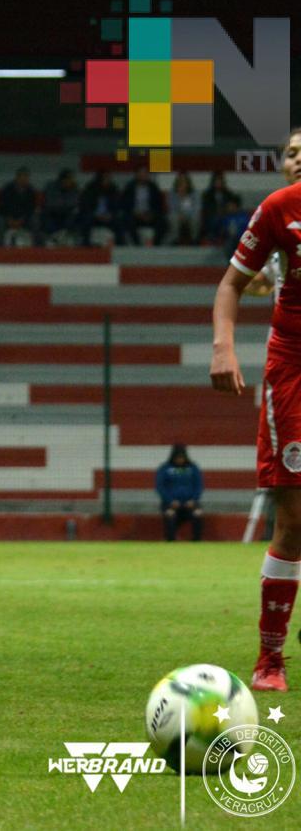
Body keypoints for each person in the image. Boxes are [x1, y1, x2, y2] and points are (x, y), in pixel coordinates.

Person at [209, 126, 301, 693]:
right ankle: (270, 661)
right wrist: (223, 347)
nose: (297, 159)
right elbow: (230, 285)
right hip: (293, 369)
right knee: (293, 519)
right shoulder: (279, 210)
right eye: (291, 151)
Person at [156, 444, 204, 541]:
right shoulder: (165, 468)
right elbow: (160, 487)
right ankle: (170, 540)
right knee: (170, 514)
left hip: (190, 504)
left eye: (182, 457)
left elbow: (199, 486)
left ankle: (197, 540)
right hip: (171, 504)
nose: (180, 460)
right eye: (178, 458)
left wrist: (193, 500)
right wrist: (170, 501)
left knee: (198, 513)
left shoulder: (193, 468)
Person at [119, 166, 167, 246]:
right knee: (127, 220)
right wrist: (135, 213)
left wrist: (152, 214)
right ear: (136, 174)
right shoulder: (129, 187)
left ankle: (156, 245)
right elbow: (124, 205)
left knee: (163, 222)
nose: (143, 175)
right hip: (135, 215)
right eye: (141, 173)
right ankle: (137, 246)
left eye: (145, 173)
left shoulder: (153, 187)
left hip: (150, 216)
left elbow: (159, 205)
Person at [78, 170, 121, 246]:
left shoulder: (113, 189)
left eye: (109, 178)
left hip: (108, 216)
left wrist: (110, 215)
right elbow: (86, 205)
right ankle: (86, 244)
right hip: (94, 215)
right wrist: (95, 215)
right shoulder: (90, 189)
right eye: (105, 178)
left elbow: (116, 205)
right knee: (86, 219)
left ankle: (120, 245)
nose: (107, 180)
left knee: (119, 221)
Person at [0, 167, 36, 246]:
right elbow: (1, 206)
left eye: (26, 177)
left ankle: (35, 245)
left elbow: (30, 209)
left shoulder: (30, 191)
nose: (24, 179)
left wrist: (22, 220)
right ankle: (0, 246)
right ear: (17, 177)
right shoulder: (7, 189)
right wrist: (9, 219)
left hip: (23, 218)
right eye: (22, 177)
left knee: (35, 221)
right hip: (8, 217)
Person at [40, 169, 79, 245]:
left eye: (72, 179)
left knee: (74, 214)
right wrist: (63, 205)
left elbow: (74, 203)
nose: (71, 181)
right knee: (45, 214)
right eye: (69, 179)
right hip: (52, 213)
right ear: (63, 180)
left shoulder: (74, 188)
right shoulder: (51, 186)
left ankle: (63, 236)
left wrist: (64, 205)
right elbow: (50, 203)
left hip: (66, 214)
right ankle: (53, 238)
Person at [201, 170, 235, 243]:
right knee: (215, 220)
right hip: (212, 217)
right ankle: (213, 237)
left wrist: (228, 208)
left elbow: (235, 202)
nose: (218, 183)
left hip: (225, 216)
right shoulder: (207, 195)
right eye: (217, 181)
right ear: (213, 182)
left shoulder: (228, 193)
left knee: (227, 221)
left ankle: (226, 239)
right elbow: (206, 209)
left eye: (220, 181)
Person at [167, 171, 199, 246]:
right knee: (173, 217)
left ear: (188, 183)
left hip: (190, 216)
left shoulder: (194, 194)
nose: (182, 184)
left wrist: (186, 215)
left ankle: (194, 240)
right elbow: (172, 208)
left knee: (195, 218)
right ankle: (175, 239)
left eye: (184, 182)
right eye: (180, 182)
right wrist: (180, 197)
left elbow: (196, 208)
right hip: (177, 215)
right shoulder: (172, 194)